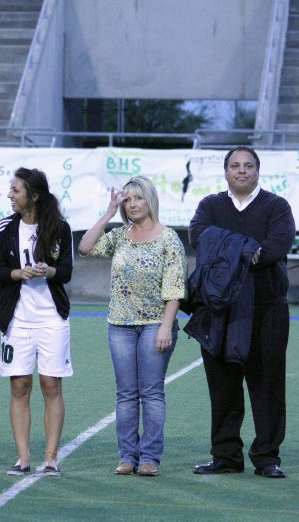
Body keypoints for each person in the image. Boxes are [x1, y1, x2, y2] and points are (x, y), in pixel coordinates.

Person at [188, 146, 295, 479]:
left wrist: (226, 247)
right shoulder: (210, 205)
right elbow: (198, 237)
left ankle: (267, 457)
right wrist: (247, 248)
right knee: (222, 385)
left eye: (248, 165)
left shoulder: (277, 206)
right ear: (226, 172)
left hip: (266, 310)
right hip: (218, 309)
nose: (242, 170)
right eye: (235, 165)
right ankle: (226, 456)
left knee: (267, 385)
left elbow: (275, 247)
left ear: (258, 171)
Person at [78, 176, 186, 477]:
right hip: (120, 325)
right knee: (125, 393)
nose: (132, 204)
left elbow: (175, 287)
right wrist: (108, 213)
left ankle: (150, 457)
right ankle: (127, 456)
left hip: (155, 324)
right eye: (127, 199)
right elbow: (86, 247)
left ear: (150, 200)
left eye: (138, 198)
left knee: (151, 393)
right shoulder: (120, 235)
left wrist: (166, 327)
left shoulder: (169, 238)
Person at [0, 168, 74, 477]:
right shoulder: (4, 227)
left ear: (34, 196)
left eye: (16, 190)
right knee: (19, 386)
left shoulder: (60, 228)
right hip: (17, 320)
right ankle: (23, 458)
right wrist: (19, 273)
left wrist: (47, 271)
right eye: (10, 190)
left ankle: (51, 458)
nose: (10, 195)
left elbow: (66, 270)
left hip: (52, 319)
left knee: (51, 385)